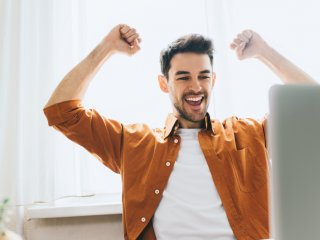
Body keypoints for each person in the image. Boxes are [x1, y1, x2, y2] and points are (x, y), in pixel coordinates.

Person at [43, 24, 316, 240]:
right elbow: (61, 110)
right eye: (183, 77)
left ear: (214, 80)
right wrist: (107, 48)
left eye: (204, 76)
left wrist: (264, 52)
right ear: (164, 84)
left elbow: (311, 108)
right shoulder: (136, 143)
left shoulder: (247, 134)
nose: (196, 86)